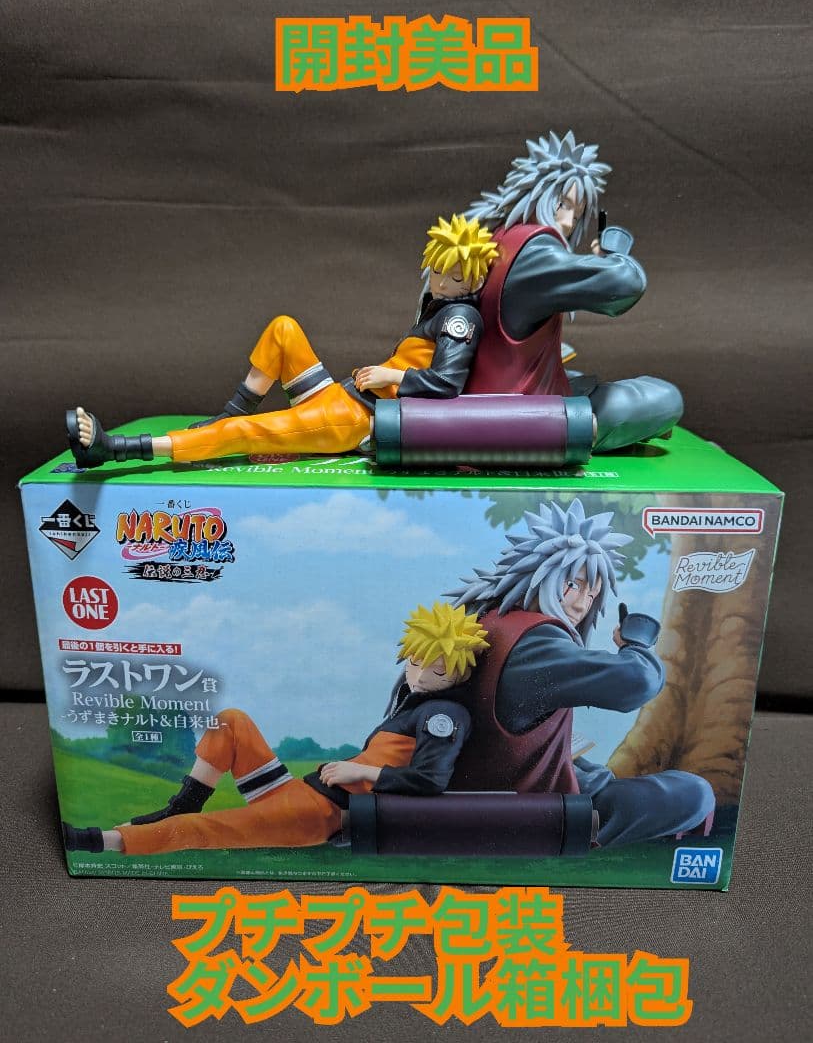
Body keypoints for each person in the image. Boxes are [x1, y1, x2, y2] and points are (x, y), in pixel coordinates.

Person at [65, 215, 498, 468]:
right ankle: (228, 413)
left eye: (455, 277)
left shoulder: (459, 318)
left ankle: (116, 450)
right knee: (283, 329)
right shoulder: (439, 308)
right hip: (342, 396)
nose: (442, 283)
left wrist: (393, 377)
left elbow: (447, 383)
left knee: (245, 433)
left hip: (353, 419)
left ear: (476, 280)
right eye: (438, 271)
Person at [61, 602, 489, 855]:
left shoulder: (444, 715)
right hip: (298, 792)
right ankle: (184, 804)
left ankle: (99, 841)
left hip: (316, 814)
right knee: (231, 720)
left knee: (208, 830)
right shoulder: (414, 704)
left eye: (438, 671)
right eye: (415, 661)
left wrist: (362, 772)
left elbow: (430, 780)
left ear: (463, 674)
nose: (420, 676)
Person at [446, 497, 715, 847]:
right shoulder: (535, 642)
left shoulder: (491, 619)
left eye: (592, 593)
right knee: (694, 792)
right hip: (532, 810)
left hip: (500, 779)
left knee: (591, 768)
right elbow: (636, 682)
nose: (580, 603)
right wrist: (635, 644)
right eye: (573, 584)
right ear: (540, 574)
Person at [463, 130, 684, 451]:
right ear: (537, 193)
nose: (567, 222)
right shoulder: (535, 252)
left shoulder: (500, 238)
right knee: (664, 397)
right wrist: (616, 255)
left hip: (491, 390)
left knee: (580, 377)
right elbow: (625, 285)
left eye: (577, 214)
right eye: (562, 205)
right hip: (522, 414)